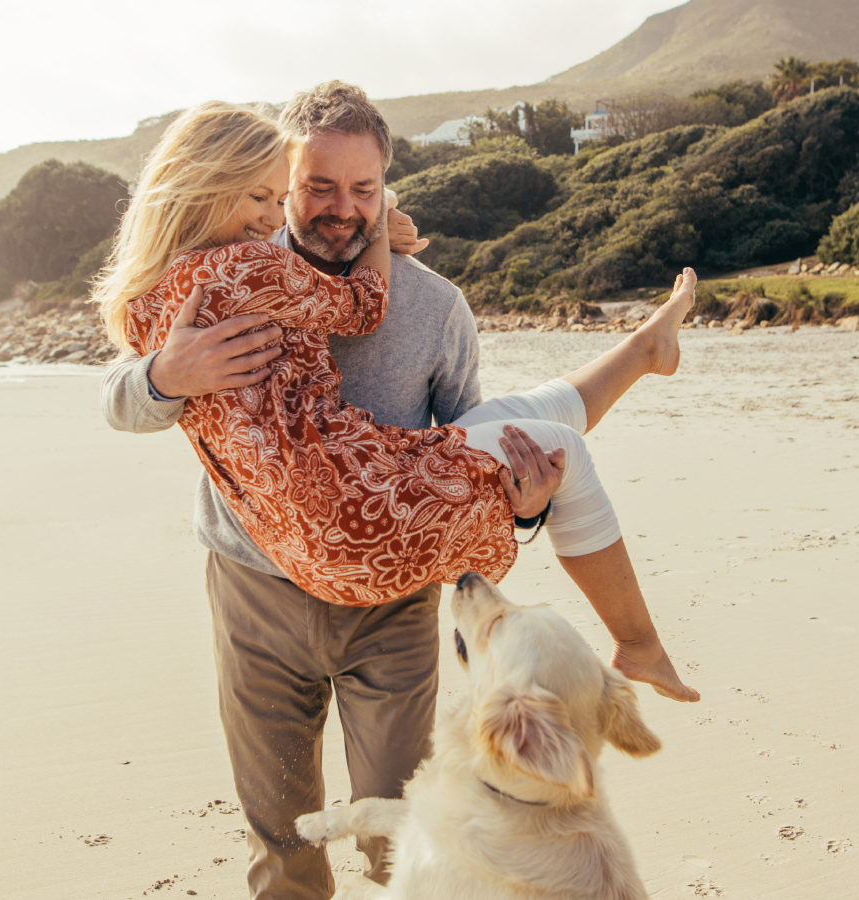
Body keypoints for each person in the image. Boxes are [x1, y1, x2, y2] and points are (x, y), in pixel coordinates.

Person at [99, 83, 697, 900]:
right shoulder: (230, 265)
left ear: (388, 190)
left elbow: (470, 435)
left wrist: (526, 509)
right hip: (253, 594)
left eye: (366, 192)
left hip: (390, 607)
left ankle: (639, 351)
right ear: (283, 179)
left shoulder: (434, 305)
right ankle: (640, 357)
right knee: (280, 837)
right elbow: (118, 401)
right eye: (314, 188)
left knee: (413, 828)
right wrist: (166, 376)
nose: (341, 210)